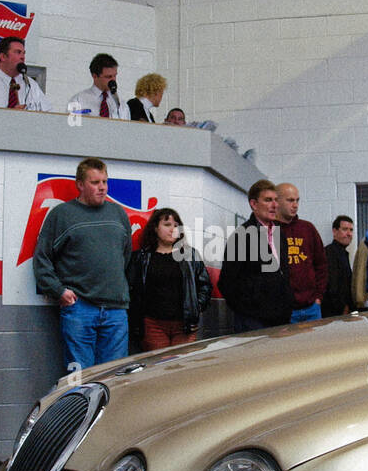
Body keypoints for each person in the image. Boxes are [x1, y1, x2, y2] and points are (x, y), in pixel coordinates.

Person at [33, 156, 132, 369]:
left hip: (116, 310)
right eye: (95, 182)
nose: (102, 188)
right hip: (80, 308)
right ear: (80, 184)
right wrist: (58, 290)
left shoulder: (118, 214)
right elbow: (42, 258)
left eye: (104, 182)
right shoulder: (62, 215)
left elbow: (125, 256)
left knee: (115, 376)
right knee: (79, 378)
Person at [128, 207, 212, 351]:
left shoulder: (190, 255)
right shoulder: (141, 257)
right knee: (159, 367)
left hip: (184, 326)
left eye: (176, 225)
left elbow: (205, 285)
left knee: (182, 368)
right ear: (155, 228)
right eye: (167, 225)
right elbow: (131, 290)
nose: (173, 229)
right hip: (153, 325)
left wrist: (195, 310)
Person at [218, 179, 293, 331]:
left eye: (276, 200)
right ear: (253, 204)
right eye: (268, 200)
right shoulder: (241, 236)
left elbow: (283, 274)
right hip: (253, 322)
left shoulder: (280, 235)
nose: (274, 205)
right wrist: (249, 312)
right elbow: (227, 282)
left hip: (281, 319)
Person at [276, 182, 327, 322]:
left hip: (312, 307)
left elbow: (321, 265)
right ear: (277, 201)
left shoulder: (308, 228)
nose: (295, 205)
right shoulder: (269, 230)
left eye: (297, 200)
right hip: (284, 311)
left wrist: (318, 298)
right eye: (290, 200)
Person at [0, 38, 51, 111]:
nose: (22, 57)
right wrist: (9, 116)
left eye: (23, 53)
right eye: (18, 52)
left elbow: (48, 114)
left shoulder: (31, 85)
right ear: (3, 56)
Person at [68, 54, 130, 120]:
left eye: (115, 76)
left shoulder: (122, 105)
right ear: (94, 76)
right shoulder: (78, 101)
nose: (113, 80)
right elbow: (71, 127)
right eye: (108, 77)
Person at [321, 215, 354, 317]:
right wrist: (343, 308)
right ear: (335, 231)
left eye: (351, 230)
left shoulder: (343, 253)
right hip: (334, 313)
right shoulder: (330, 253)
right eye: (345, 229)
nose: (349, 234)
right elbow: (332, 285)